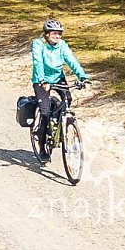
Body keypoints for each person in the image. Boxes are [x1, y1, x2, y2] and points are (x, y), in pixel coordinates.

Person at [30, 18, 89, 157]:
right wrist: (42, 79)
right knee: (44, 113)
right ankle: (42, 144)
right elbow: (37, 61)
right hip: (41, 80)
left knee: (68, 99)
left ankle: (57, 122)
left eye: (59, 34)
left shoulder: (62, 45)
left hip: (57, 78)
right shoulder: (38, 44)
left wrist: (82, 76)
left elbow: (71, 60)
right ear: (46, 34)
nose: (57, 36)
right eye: (54, 33)